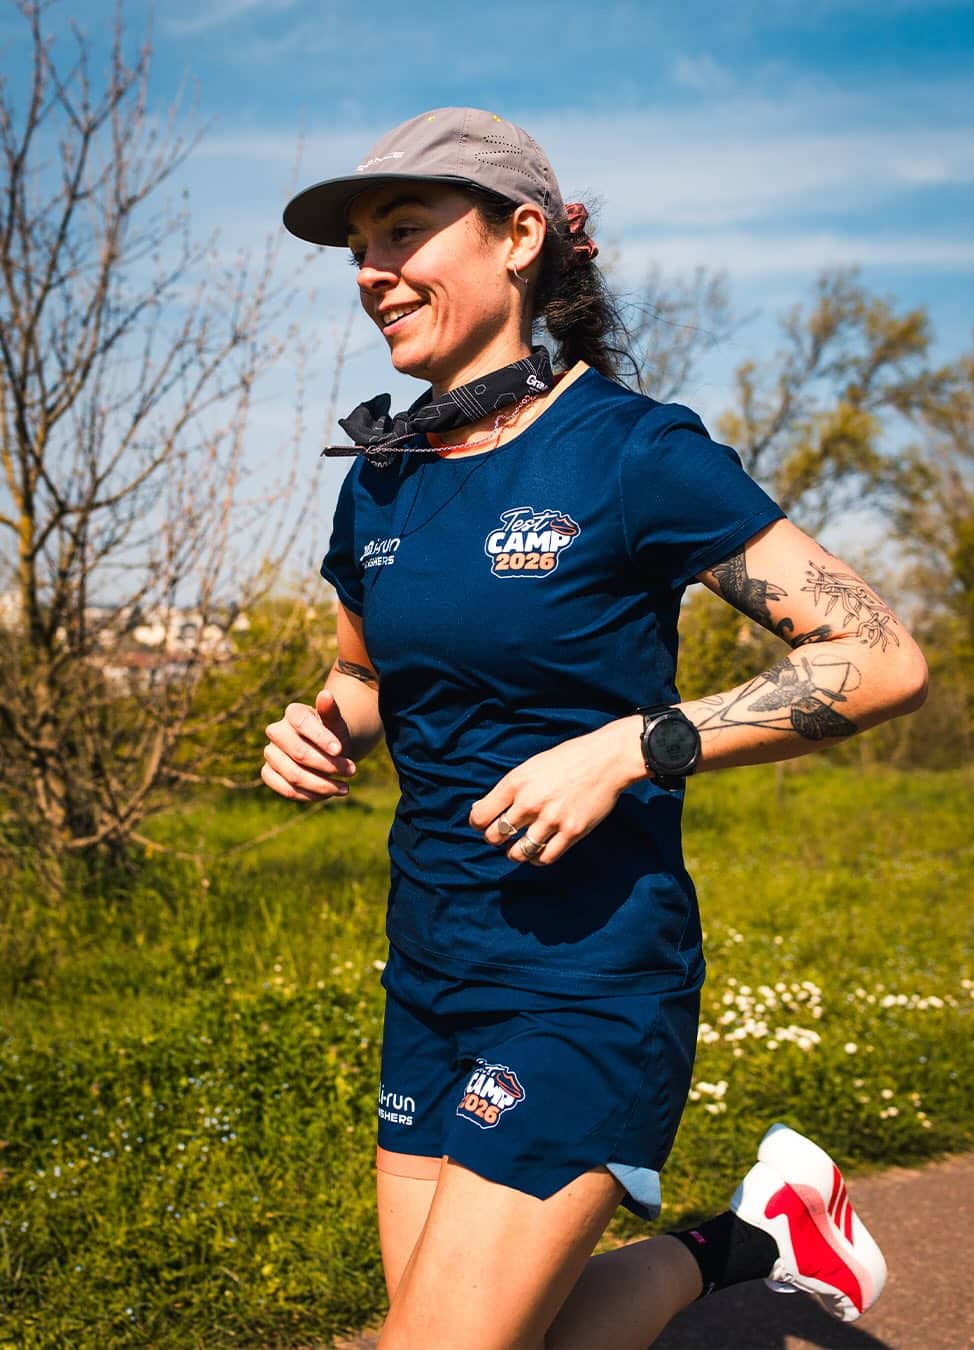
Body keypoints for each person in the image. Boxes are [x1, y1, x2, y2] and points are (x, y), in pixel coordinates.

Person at [265, 107, 927, 1349]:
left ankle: (751, 1244)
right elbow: (364, 678)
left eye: (403, 230)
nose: (372, 271)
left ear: (521, 238)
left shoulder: (631, 452)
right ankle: (755, 1244)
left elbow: (880, 659)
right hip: (432, 969)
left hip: (587, 981)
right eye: (358, 248)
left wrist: (633, 746)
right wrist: (322, 729)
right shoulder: (382, 475)